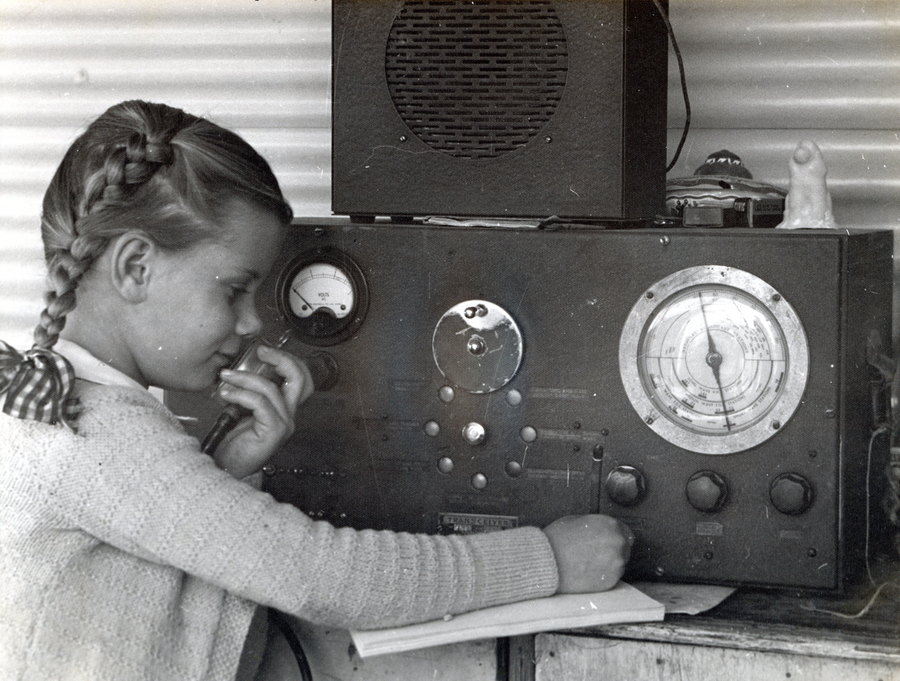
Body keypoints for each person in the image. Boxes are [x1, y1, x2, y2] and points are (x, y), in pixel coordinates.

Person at [0, 100, 633, 681]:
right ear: (135, 267)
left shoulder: (73, 409)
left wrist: (225, 470)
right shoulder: (99, 433)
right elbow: (326, 577)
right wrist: (547, 560)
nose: (251, 323)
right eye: (233, 291)